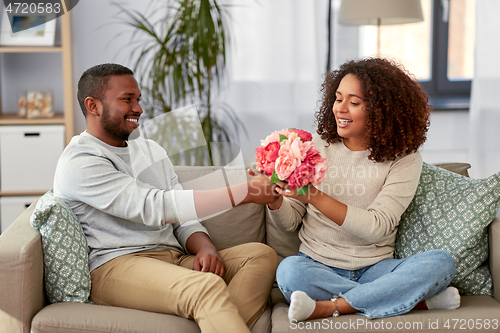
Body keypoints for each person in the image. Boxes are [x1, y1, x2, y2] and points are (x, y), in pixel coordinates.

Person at [53, 63, 280, 333]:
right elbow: (153, 206)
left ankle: (218, 322)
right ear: (93, 105)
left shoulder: (151, 150)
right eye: (127, 99)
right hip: (116, 266)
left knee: (261, 255)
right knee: (206, 287)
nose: (138, 108)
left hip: (173, 258)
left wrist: (205, 247)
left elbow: (182, 214)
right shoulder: (81, 160)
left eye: (138, 99)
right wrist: (244, 192)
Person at [266, 58, 461, 322]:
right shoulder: (315, 147)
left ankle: (329, 307)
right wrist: (275, 200)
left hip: (376, 268)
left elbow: (376, 226)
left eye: (354, 102)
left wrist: (312, 194)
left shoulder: (404, 159)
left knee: (441, 263)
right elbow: (291, 223)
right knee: (288, 271)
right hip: (316, 266)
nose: (340, 109)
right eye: (337, 99)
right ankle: (411, 301)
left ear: (382, 110)